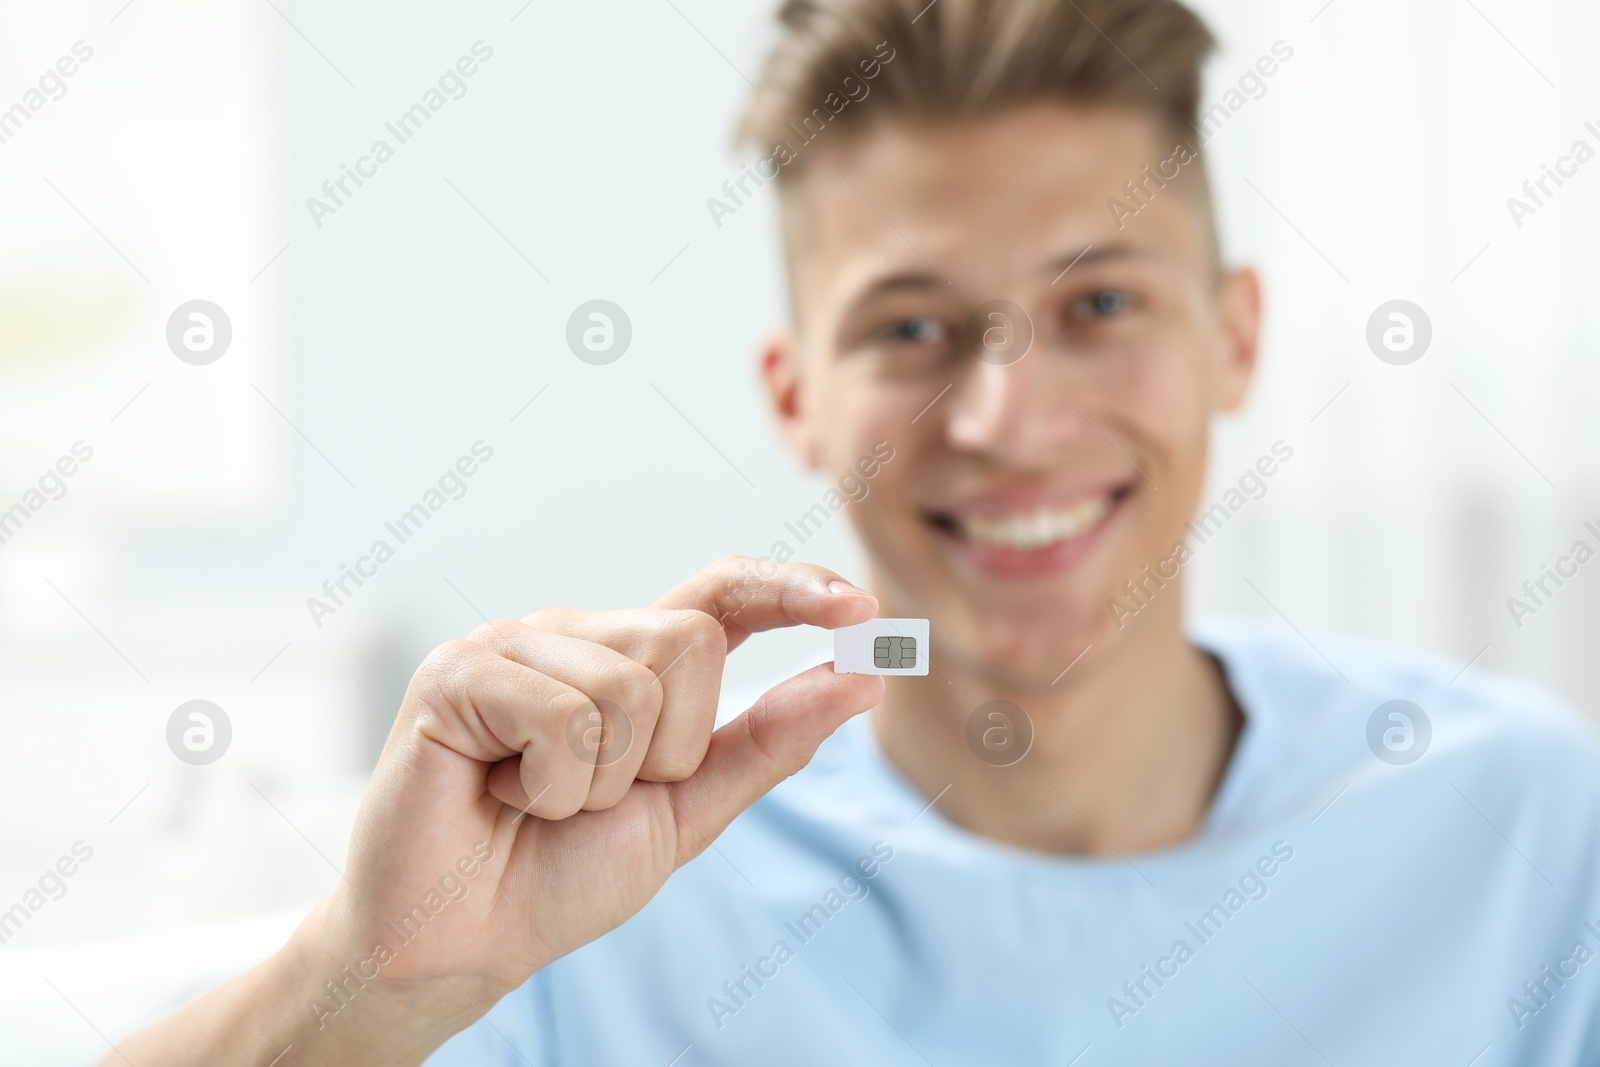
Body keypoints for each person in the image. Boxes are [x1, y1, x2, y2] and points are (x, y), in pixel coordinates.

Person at [113, 0, 1600, 1063]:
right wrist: (363, 989)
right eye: (912, 325)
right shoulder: (601, 894)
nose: (1005, 418)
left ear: (1235, 338)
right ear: (795, 397)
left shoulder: (1532, 830)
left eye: (1100, 304)